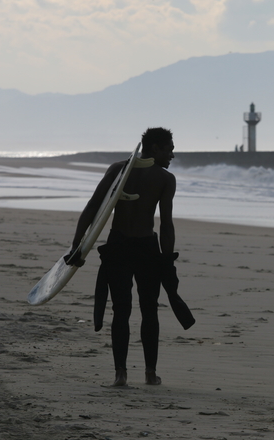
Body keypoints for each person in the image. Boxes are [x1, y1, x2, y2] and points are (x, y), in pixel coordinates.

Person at [67, 127, 178, 387]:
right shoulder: (164, 179)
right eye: (169, 149)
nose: (172, 155)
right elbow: (166, 225)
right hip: (146, 249)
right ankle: (150, 374)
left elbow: (93, 208)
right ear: (155, 149)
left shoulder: (118, 169)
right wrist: (166, 259)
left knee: (121, 311)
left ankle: (121, 374)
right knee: (149, 310)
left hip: (118, 246)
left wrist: (77, 246)